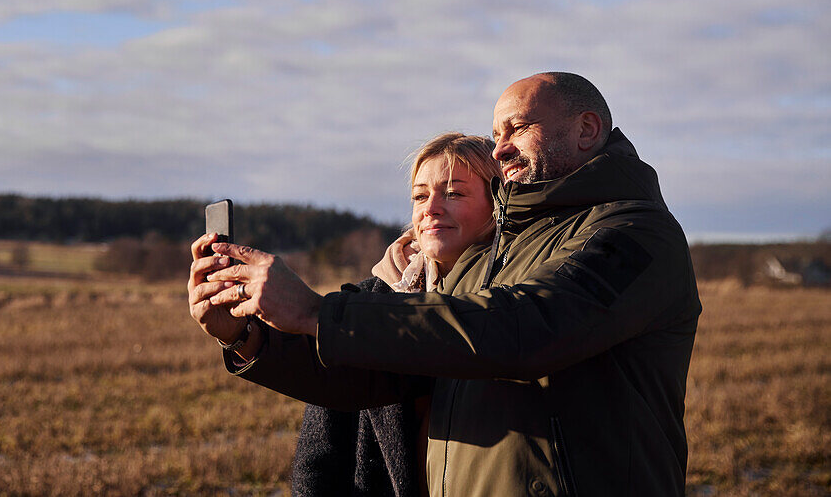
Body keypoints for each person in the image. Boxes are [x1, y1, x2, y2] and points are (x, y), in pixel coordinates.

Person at [188, 71, 702, 497]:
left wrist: (319, 314)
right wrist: (246, 339)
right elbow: (385, 379)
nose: (500, 150)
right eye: (495, 134)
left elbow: (528, 326)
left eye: (517, 129)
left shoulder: (635, 231)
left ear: (586, 129)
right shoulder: (492, 255)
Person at [291, 133, 500, 497]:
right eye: (420, 195)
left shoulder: (516, 304)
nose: (431, 208)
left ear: (497, 202)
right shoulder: (366, 303)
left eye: (453, 193)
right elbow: (320, 455)